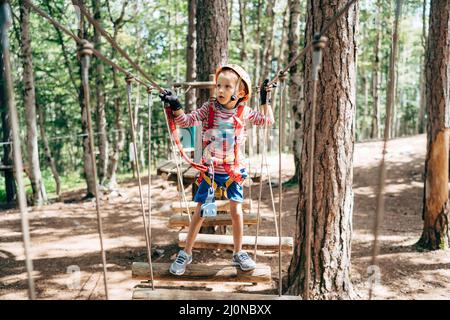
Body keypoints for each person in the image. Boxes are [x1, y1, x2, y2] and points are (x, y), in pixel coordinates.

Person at [159, 64, 274, 275]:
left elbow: (268, 121)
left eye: (227, 86)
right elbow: (185, 121)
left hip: (232, 171)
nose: (220, 90)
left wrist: (265, 101)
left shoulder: (244, 111)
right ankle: (187, 252)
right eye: (218, 85)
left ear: (239, 92)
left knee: (236, 212)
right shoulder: (208, 108)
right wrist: (175, 104)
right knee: (200, 212)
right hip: (210, 171)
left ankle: (239, 252)